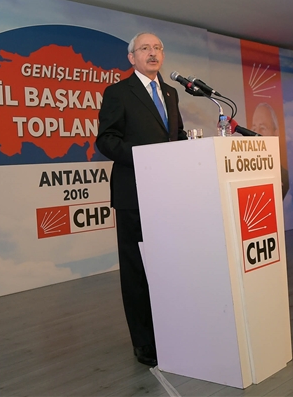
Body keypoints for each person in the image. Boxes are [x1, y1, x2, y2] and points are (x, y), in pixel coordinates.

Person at [96, 32, 187, 367]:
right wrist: (145, 158)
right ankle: (145, 343)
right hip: (133, 193)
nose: (153, 53)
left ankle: (171, 332)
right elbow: (106, 140)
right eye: (145, 48)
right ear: (131, 57)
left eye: (158, 48)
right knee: (137, 272)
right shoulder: (118, 93)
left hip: (168, 194)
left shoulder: (171, 93)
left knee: (168, 268)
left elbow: (176, 137)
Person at [249, 102, 289, 198]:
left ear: (276, 134)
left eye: (262, 128)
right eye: (254, 129)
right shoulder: (246, 176)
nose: (256, 134)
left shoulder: (288, 180)